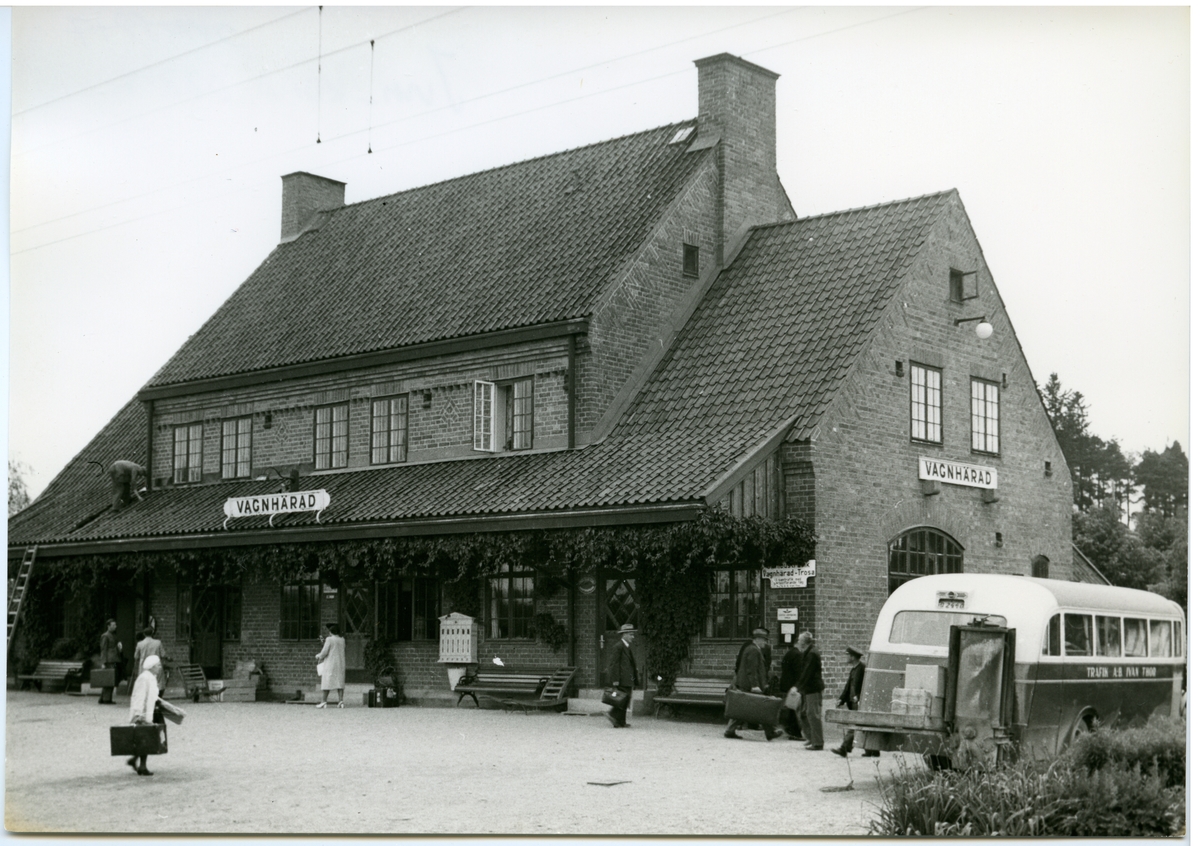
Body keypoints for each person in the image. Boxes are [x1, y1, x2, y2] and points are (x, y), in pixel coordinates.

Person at [724, 627, 780, 741]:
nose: (765, 642)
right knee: (763, 707)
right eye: (764, 640)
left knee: (742, 707)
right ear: (757, 639)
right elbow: (751, 670)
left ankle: (730, 730)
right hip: (750, 685)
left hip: (747, 684)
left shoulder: (752, 649)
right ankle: (770, 732)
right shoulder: (754, 650)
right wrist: (755, 685)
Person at [831, 646, 877, 757]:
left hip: (860, 703)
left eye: (847, 655)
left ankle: (844, 748)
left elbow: (868, 685)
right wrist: (841, 699)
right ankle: (872, 750)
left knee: (854, 726)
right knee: (861, 725)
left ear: (853, 657)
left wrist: (860, 697)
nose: (846, 657)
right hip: (853, 703)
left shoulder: (862, 669)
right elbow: (848, 687)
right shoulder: (854, 670)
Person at [126, 654, 164, 776]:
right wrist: (139, 714)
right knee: (145, 738)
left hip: (150, 711)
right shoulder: (144, 678)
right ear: (152, 666)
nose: (160, 667)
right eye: (158, 665)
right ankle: (141, 765)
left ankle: (136, 760)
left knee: (147, 737)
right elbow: (139, 697)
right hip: (143, 713)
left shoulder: (151, 677)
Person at [794, 631, 825, 750]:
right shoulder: (809, 652)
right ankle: (811, 738)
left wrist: (798, 687)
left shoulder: (811, 654)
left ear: (804, 642)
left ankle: (817, 742)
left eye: (799, 640)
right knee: (804, 713)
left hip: (812, 688)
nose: (798, 641)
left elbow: (807, 672)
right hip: (808, 688)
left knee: (813, 715)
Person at [605, 623, 639, 728]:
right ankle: (612, 714)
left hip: (627, 679)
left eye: (633, 635)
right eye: (630, 634)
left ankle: (621, 722)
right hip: (621, 679)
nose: (633, 637)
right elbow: (614, 664)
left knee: (625, 699)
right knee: (622, 699)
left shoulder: (626, 646)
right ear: (624, 634)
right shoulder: (618, 647)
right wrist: (615, 680)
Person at [778, 638, 805, 740]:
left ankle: (789, 729)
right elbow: (799, 672)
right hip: (793, 686)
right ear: (798, 643)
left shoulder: (789, 653)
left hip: (787, 684)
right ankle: (795, 732)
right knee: (794, 709)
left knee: (790, 708)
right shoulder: (798, 655)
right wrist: (798, 686)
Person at [315, 623, 346, 708]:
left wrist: (318, 656)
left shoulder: (329, 639)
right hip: (340, 663)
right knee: (340, 682)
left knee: (327, 681)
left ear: (331, 631)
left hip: (330, 663)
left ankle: (324, 701)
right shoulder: (342, 639)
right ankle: (341, 701)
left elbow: (324, 652)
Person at [130, 626, 168, 692]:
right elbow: (163, 655)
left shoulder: (140, 644)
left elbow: (136, 656)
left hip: (144, 667)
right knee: (157, 683)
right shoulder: (158, 643)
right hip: (155, 666)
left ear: (144, 634)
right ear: (152, 633)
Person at [98, 619, 121, 704]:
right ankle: (106, 699)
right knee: (109, 679)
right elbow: (103, 649)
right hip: (109, 660)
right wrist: (103, 662)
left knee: (110, 678)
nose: (115, 626)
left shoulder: (113, 635)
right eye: (113, 625)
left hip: (113, 659)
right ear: (108, 626)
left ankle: (103, 698)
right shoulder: (105, 636)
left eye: (115, 625)